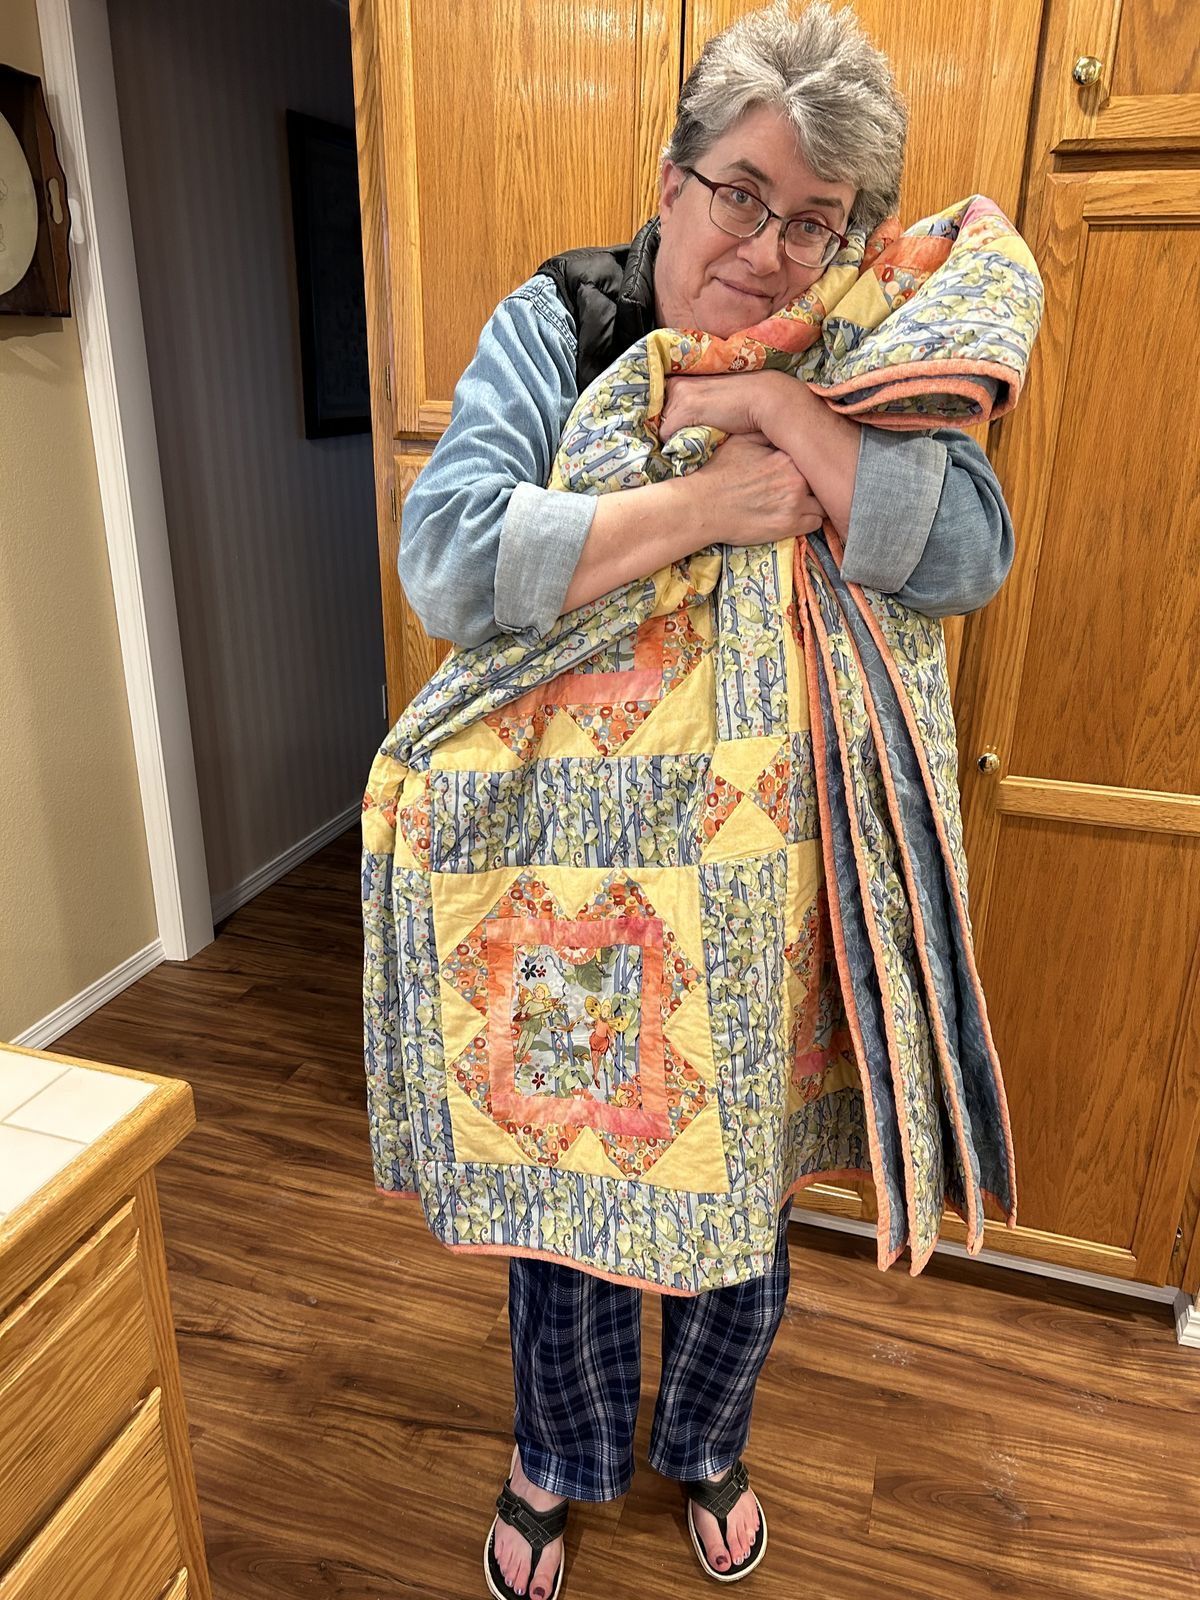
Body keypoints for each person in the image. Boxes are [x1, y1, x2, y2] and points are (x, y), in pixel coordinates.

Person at [397, 6, 1014, 1597]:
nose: (770, 246)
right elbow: (448, 557)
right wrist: (706, 507)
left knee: (744, 1196)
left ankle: (708, 1438)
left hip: (775, 885)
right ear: (672, 182)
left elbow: (965, 555)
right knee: (571, 1183)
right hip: (575, 886)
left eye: (816, 219)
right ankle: (556, 1457)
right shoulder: (564, 321)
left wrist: (781, 413)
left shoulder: (870, 345)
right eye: (743, 192)